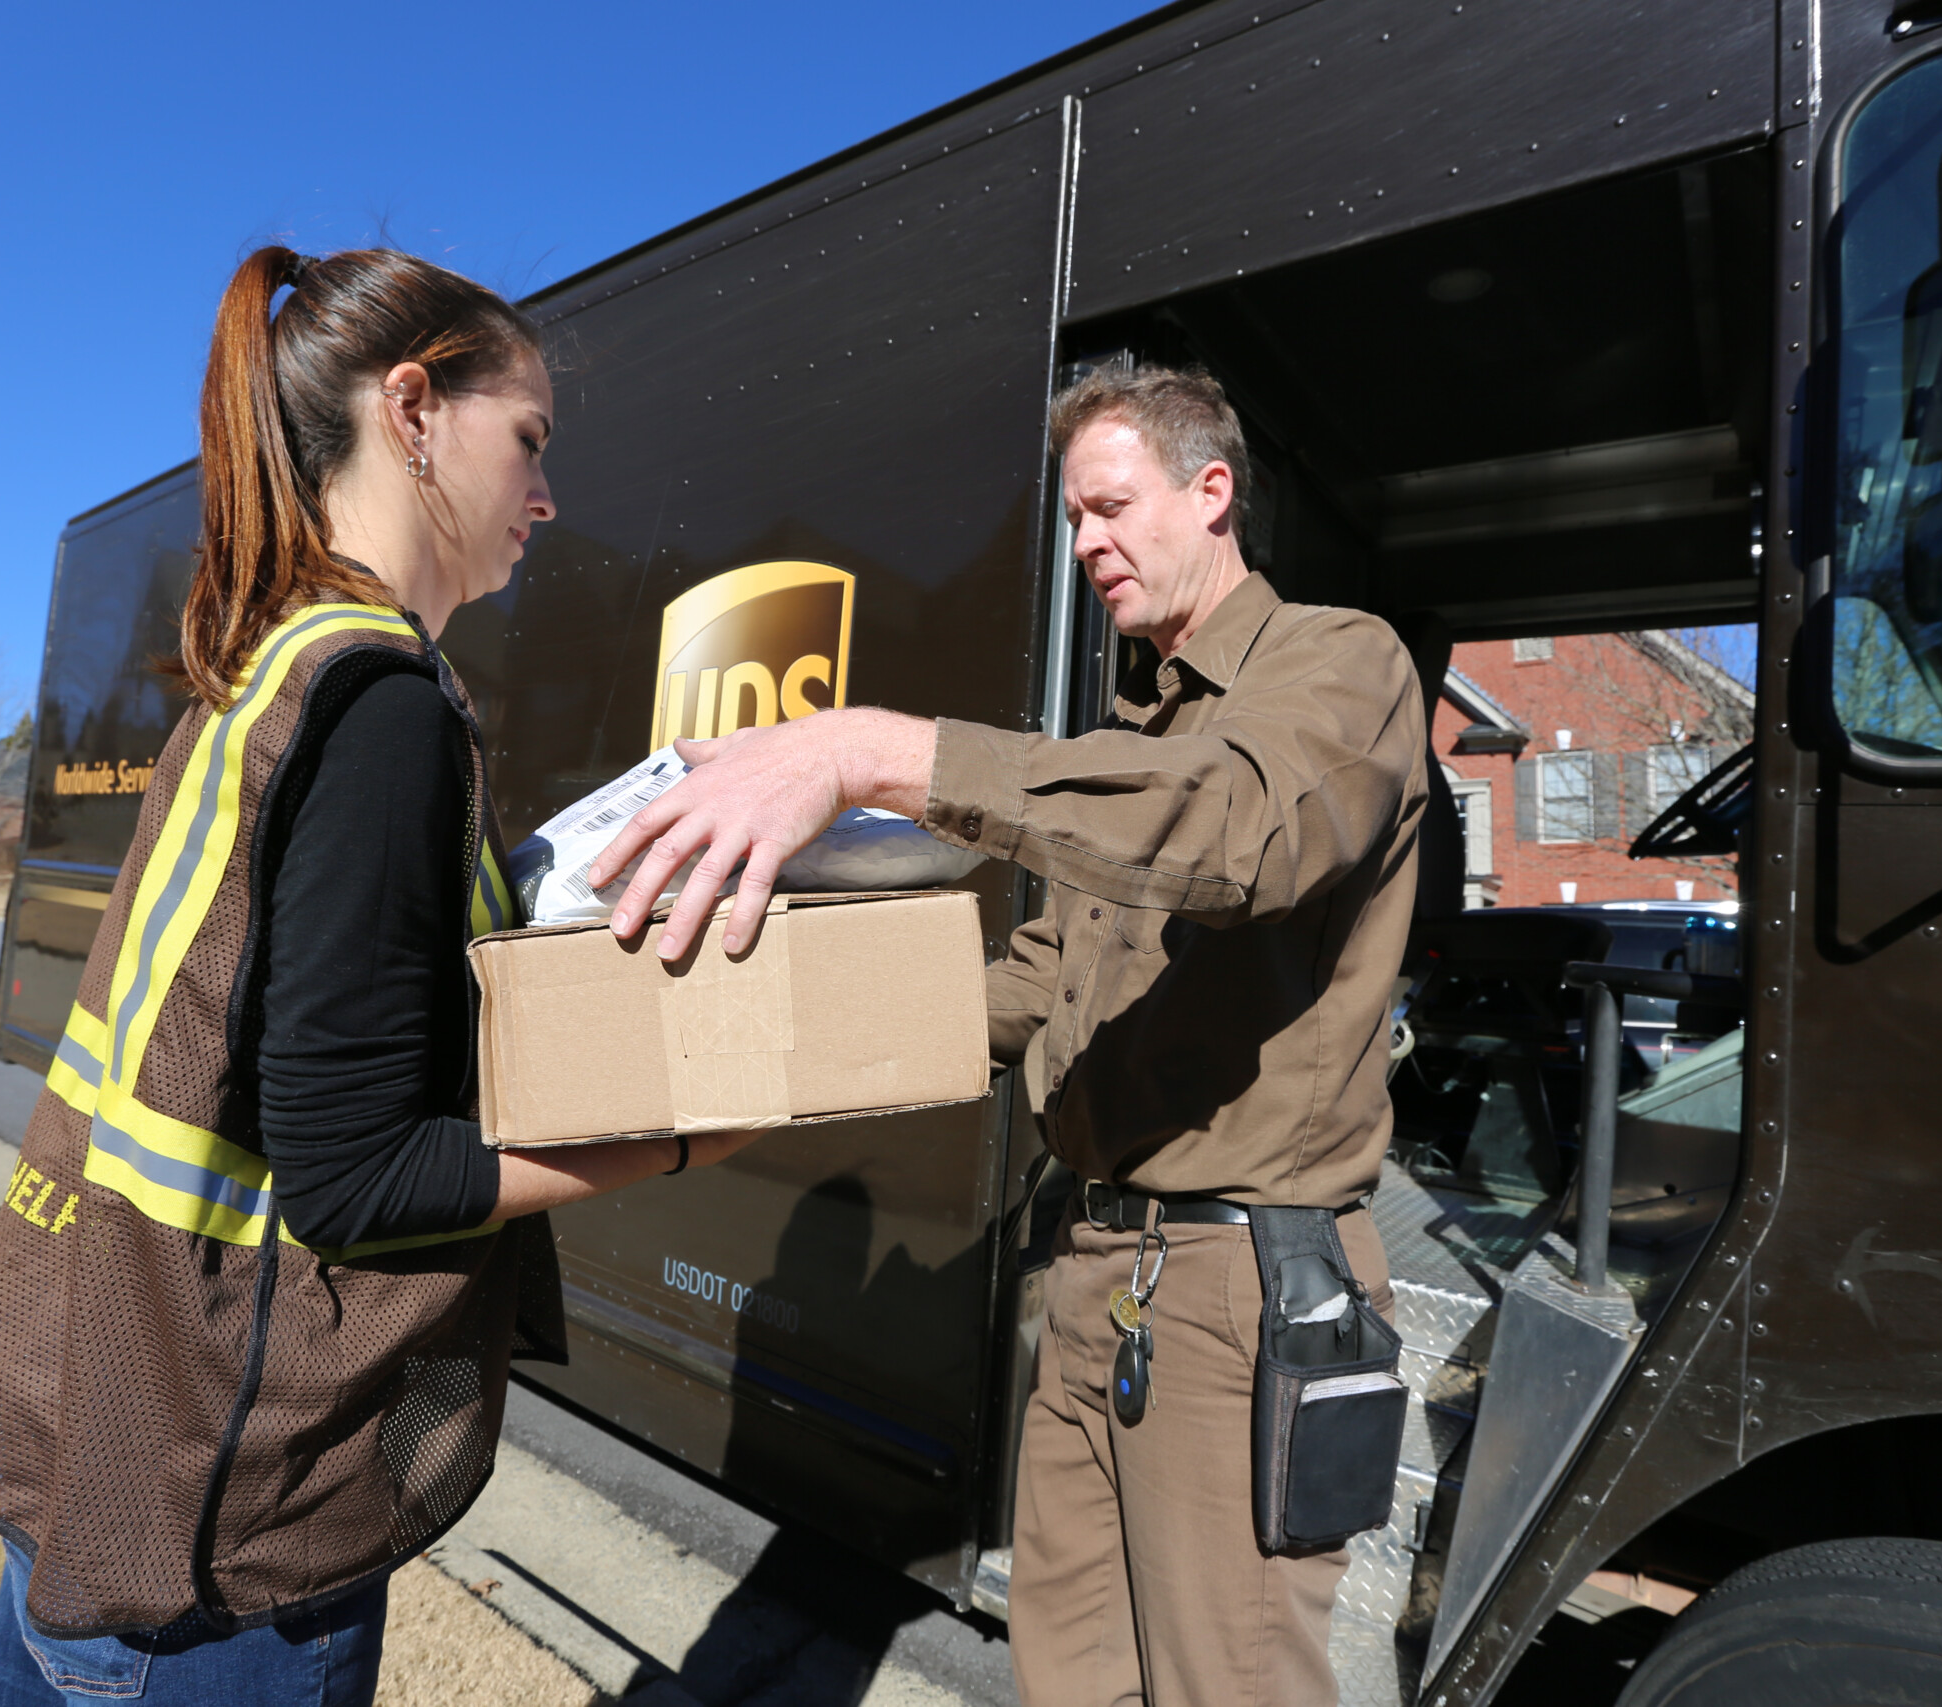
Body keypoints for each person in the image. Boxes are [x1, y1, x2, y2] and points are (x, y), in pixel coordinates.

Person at [0, 246, 762, 1707]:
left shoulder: (269, 672)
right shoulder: (381, 709)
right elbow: (357, 1180)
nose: (548, 497)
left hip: (99, 1463)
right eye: (533, 440)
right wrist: (691, 1136)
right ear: (416, 409)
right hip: (223, 1554)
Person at [588, 365, 1427, 1705]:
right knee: (1070, 1678)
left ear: (1212, 494)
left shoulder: (1340, 665)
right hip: (1096, 1270)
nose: (1086, 544)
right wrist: (756, 1029)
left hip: (1239, 1284)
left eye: (1110, 508)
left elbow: (1243, 831)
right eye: (1074, 518)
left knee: (1231, 1688)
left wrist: (876, 754)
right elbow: (1040, 982)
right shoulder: (1135, 728)